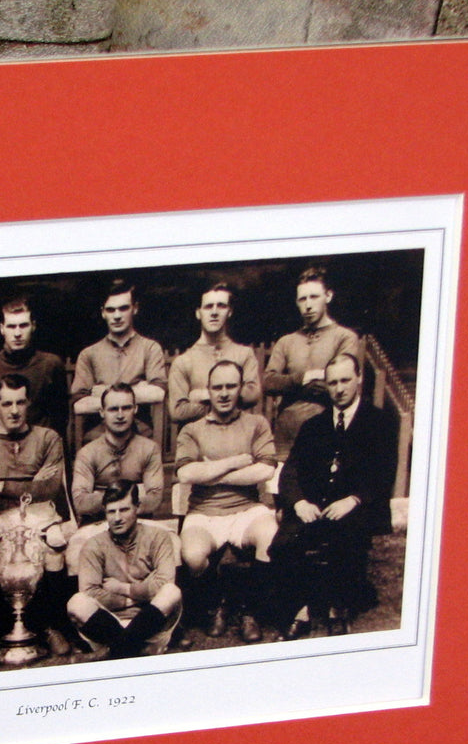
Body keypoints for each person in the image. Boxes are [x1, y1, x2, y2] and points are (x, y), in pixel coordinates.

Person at [273, 351, 397, 639]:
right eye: (332, 383)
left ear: (358, 379)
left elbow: (383, 473)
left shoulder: (378, 422)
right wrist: (300, 502)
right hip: (315, 506)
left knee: (344, 540)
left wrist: (353, 500)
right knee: (284, 546)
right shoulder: (314, 426)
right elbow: (290, 470)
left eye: (345, 380)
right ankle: (303, 609)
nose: (339, 389)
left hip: (358, 505)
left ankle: (337, 608)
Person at [0, 374, 76, 661]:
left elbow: (49, 488)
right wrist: (28, 484)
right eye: (7, 403)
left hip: (38, 513)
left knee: (53, 551)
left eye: (20, 402)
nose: (14, 410)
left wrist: (2, 486)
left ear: (28, 404)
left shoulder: (48, 438)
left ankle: (50, 626)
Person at [175, 359, 279, 643]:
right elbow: (186, 473)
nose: (223, 393)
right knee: (193, 557)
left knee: (269, 536)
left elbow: (266, 469)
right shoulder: (192, 429)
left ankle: (250, 611)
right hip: (204, 512)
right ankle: (217, 603)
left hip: (246, 509)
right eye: (217, 387)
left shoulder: (257, 423)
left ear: (240, 389)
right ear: (207, 390)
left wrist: (212, 472)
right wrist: (234, 464)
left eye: (230, 386)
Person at [67, 481, 182, 658]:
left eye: (124, 509)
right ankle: (135, 648)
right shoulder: (93, 545)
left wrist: (124, 589)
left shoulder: (158, 537)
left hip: (151, 622)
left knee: (171, 592)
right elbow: (90, 592)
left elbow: (164, 582)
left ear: (137, 507)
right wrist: (135, 598)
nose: (117, 518)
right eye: (111, 512)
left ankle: (114, 651)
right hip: (108, 622)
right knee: (77, 602)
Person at [262, 267, 362, 462]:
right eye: (302, 299)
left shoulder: (345, 337)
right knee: (282, 490)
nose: (308, 305)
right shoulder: (286, 342)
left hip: (326, 431)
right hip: (287, 432)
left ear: (328, 296)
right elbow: (268, 382)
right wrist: (304, 378)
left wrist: (290, 385)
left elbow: (337, 385)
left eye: (314, 297)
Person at [67, 382, 165, 572]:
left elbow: (154, 499)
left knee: (167, 550)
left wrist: (101, 497)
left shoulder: (149, 448)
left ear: (135, 409)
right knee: (76, 556)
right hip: (96, 525)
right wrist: (130, 500)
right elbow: (80, 502)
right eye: (113, 409)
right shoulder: (88, 453)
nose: (120, 415)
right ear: (102, 412)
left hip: (140, 524)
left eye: (126, 408)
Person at [0, 298, 69, 440]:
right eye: (11, 326)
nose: (18, 333)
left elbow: (60, 421)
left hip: (39, 450)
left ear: (33, 326)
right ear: (2, 328)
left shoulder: (51, 365)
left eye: (23, 325)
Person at [70, 278, 167, 426]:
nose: (117, 316)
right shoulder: (88, 354)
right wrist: (139, 390)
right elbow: (79, 405)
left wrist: (103, 393)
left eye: (123, 308)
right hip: (98, 436)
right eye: (110, 310)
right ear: (103, 313)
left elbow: (158, 394)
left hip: (140, 432)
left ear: (135, 308)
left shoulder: (150, 348)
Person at [167, 282, 262, 425]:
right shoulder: (183, 361)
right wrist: (230, 399)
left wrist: (202, 395)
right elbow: (177, 412)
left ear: (230, 311)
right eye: (208, 306)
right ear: (198, 313)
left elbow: (252, 395)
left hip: (236, 438)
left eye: (221, 306)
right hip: (198, 442)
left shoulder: (244, 354)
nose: (214, 312)